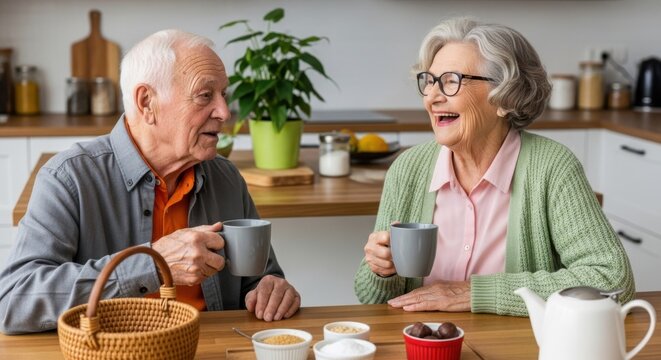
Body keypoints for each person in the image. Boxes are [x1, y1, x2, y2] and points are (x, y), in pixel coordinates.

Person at [0, 29, 300, 334]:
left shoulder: (226, 177)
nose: (224, 112)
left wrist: (272, 289)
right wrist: (153, 266)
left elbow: (260, 278)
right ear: (147, 103)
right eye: (205, 95)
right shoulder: (69, 178)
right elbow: (14, 300)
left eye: (224, 95)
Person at [353, 18, 634, 316]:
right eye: (430, 81)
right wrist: (382, 271)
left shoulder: (552, 168)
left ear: (505, 96)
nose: (433, 97)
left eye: (451, 80)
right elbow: (370, 298)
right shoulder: (409, 168)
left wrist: (474, 293)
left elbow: (611, 280)